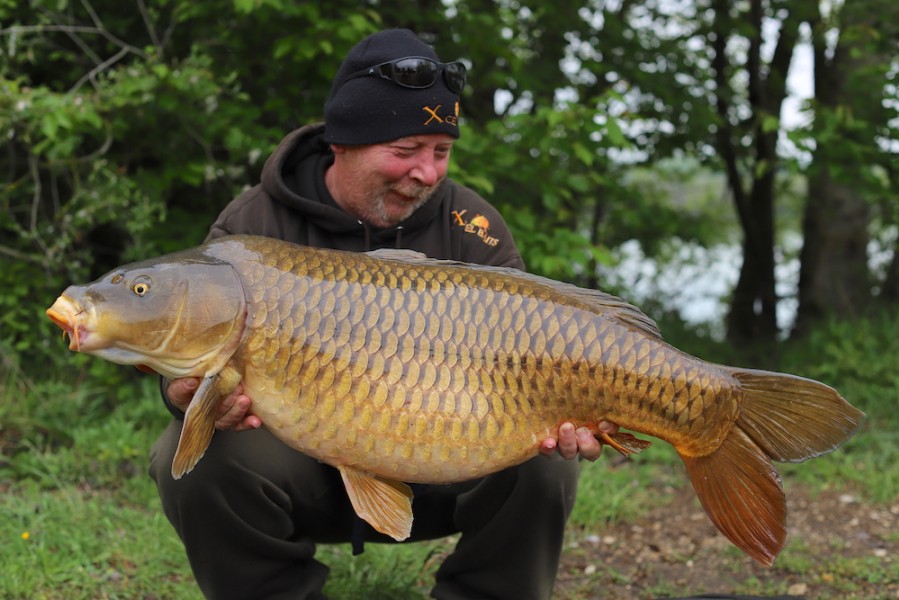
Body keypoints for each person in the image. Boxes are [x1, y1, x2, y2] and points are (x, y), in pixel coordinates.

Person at [149, 28, 605, 600]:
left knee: (545, 462)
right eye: (406, 151)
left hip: (446, 457)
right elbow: (186, 349)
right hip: (299, 461)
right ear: (343, 144)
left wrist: (580, 407)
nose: (428, 174)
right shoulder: (254, 225)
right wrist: (181, 394)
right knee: (185, 457)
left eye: (441, 152)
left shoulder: (470, 223)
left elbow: (535, 345)